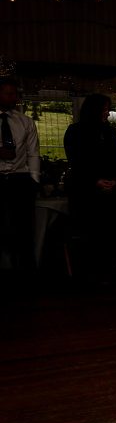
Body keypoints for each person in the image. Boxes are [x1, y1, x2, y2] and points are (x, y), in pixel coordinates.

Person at [63, 93, 116, 284]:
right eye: (104, 109)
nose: (107, 113)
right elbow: (77, 161)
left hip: (109, 193)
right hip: (86, 194)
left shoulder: (110, 132)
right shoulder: (75, 132)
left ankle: (108, 272)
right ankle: (87, 275)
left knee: (109, 234)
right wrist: (94, 181)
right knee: (88, 234)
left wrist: (115, 180)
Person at [0, 77, 40, 275]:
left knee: (24, 229)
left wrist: (34, 180)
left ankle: (25, 272)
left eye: (15, 94)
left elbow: (33, 153)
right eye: (8, 94)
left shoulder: (25, 121)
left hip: (20, 179)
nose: (13, 98)